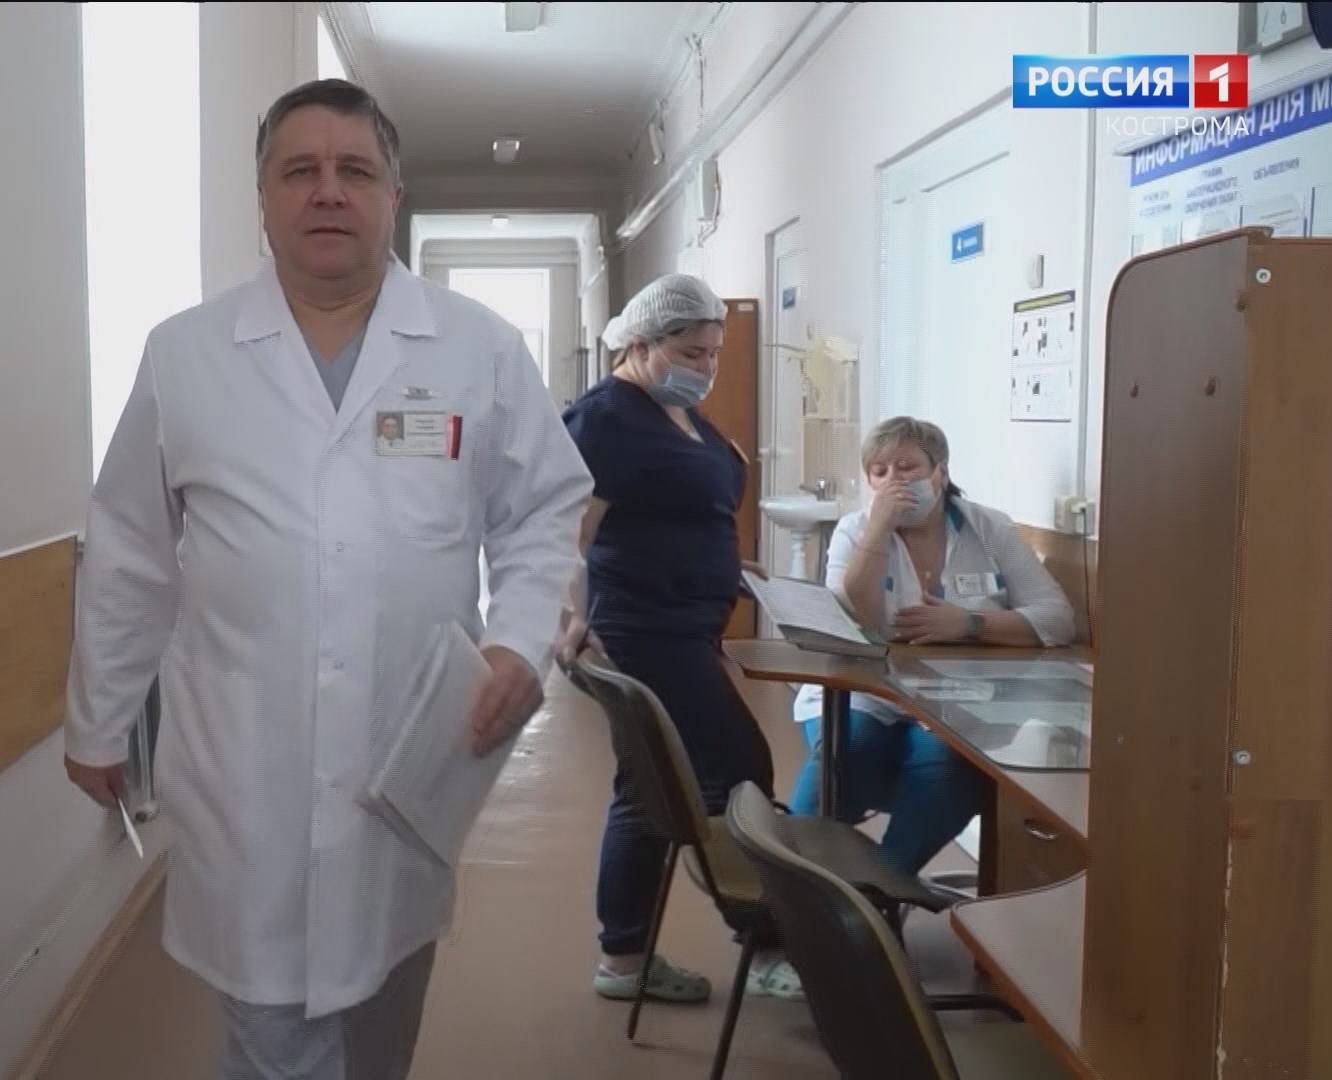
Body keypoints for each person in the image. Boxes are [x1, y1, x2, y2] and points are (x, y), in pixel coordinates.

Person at [61, 79, 592, 1080]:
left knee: (386, 1007)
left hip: (412, 748)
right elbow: (129, 550)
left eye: (355, 170)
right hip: (244, 765)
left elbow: (541, 508)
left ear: (393, 194)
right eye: (298, 170)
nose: (328, 191)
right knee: (273, 1032)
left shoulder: (478, 347)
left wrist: (520, 641)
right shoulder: (185, 354)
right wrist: (99, 722)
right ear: (262, 199)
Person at [555, 274, 793, 1005]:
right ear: (640, 344)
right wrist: (566, 614)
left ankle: (624, 959)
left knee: (646, 789)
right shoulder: (606, 419)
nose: (707, 367)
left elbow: (686, 510)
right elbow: (568, 530)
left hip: (687, 626)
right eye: (691, 353)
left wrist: (732, 572)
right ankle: (762, 943)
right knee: (737, 771)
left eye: (714, 354)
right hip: (643, 630)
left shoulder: (679, 415)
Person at [790, 416, 1075, 875]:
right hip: (867, 690)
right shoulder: (853, 530)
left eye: (907, 467)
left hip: (959, 698)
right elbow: (850, 620)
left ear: (939, 472)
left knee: (948, 767)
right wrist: (877, 533)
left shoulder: (988, 529)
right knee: (849, 749)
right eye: (880, 471)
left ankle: (882, 885)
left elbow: (1057, 618)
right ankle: (791, 881)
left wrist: (970, 624)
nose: (894, 481)